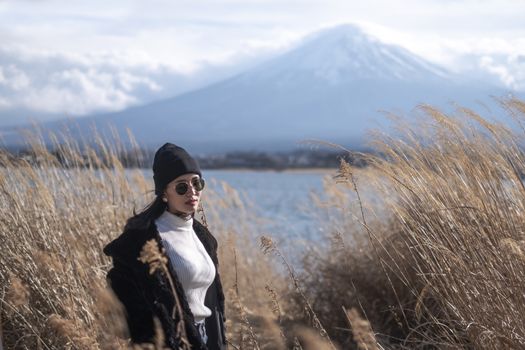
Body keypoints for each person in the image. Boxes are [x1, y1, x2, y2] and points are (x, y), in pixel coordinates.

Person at [103, 143, 227, 350]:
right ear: (163, 193)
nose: (192, 192)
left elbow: (212, 303)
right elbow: (125, 303)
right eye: (181, 187)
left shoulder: (204, 237)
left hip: (207, 338)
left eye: (197, 183)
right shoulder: (141, 240)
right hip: (171, 342)